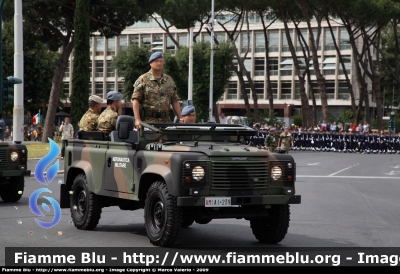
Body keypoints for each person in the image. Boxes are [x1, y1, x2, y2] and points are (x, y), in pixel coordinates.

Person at [132, 51, 182, 130]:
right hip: (148, 122)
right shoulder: (143, 79)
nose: (159, 63)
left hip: (166, 121)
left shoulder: (169, 80)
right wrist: (137, 119)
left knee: (167, 142)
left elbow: (175, 100)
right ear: (150, 63)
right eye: (156, 61)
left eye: (161, 61)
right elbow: (136, 100)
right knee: (151, 142)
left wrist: (180, 118)